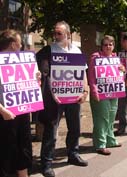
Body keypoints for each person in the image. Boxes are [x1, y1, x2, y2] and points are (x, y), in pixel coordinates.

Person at [36, 21, 88, 177]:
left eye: (59, 33)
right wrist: (53, 94)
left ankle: (73, 153)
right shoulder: (48, 50)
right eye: (55, 32)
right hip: (55, 99)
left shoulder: (76, 51)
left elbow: (83, 73)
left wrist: (85, 91)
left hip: (74, 98)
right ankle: (46, 163)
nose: (55, 35)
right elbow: (46, 75)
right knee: (51, 131)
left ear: (68, 34)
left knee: (75, 127)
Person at [0, 29, 32, 177]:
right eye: (19, 43)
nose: (21, 46)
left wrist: (34, 78)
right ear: (13, 44)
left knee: (23, 147)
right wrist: (2, 111)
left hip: (22, 112)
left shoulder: (23, 61)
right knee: (6, 150)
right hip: (5, 115)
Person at [88, 35, 123, 155]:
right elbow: (91, 77)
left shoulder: (115, 58)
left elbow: (120, 75)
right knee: (101, 118)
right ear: (101, 46)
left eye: (110, 44)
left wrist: (122, 69)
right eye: (105, 44)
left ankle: (110, 140)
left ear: (113, 46)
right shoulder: (96, 57)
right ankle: (100, 144)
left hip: (114, 91)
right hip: (100, 92)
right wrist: (94, 91)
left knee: (112, 117)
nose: (108, 47)